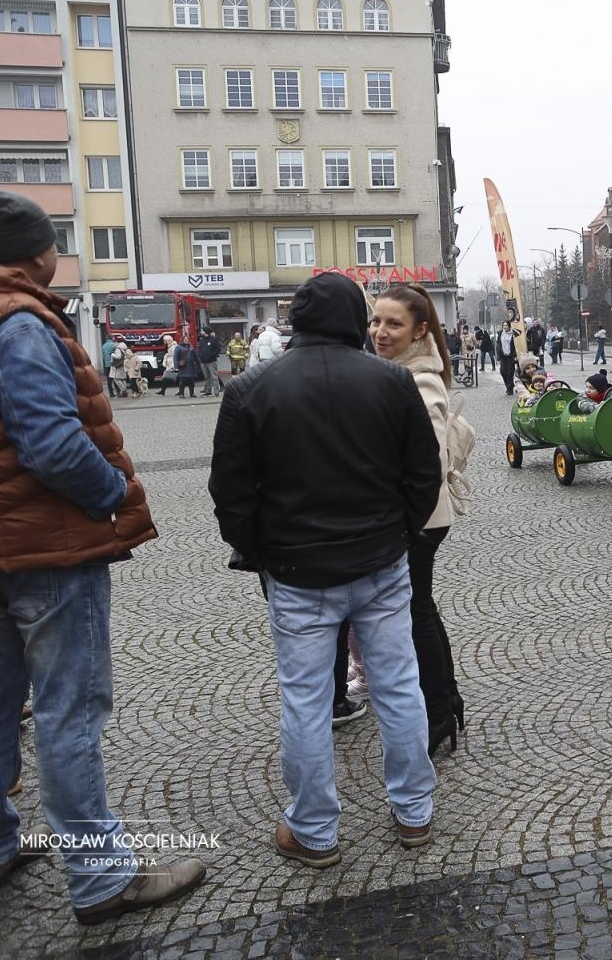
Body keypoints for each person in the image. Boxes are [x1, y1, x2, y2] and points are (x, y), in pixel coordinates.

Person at [0, 187, 204, 921]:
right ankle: (102, 879)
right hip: (43, 547)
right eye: (51, 243)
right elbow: (51, 442)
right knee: (70, 711)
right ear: (33, 251)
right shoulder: (15, 322)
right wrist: (108, 492)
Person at [210, 272, 443, 867]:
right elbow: (423, 477)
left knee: (307, 701)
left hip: (296, 570)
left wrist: (260, 551)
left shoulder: (250, 388)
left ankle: (314, 830)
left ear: (297, 320)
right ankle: (414, 812)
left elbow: (230, 495)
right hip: (380, 563)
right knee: (397, 686)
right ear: (353, 318)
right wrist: (398, 535)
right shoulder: (392, 382)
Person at [369, 285, 467, 756]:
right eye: (375, 322)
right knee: (421, 609)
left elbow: (425, 460)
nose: (380, 332)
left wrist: (404, 521)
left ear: (419, 330)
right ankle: (446, 702)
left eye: (393, 324)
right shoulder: (398, 369)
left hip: (420, 518)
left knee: (416, 613)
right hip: (417, 515)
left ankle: (438, 713)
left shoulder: (420, 379)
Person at [198, 329, 224, 396]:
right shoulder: (202, 341)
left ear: (206, 332)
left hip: (211, 361)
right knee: (207, 377)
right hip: (203, 362)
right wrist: (200, 356)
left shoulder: (213, 340)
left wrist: (212, 355)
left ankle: (216, 391)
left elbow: (218, 349)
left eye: (202, 331)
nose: (201, 332)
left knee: (214, 376)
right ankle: (208, 390)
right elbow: (200, 350)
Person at [498, 324, 520, 395]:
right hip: (503, 356)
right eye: (503, 325)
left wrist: (515, 354)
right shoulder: (500, 333)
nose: (504, 327)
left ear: (509, 326)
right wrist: (498, 353)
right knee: (502, 371)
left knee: (510, 372)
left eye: (506, 325)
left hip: (510, 356)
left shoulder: (513, 334)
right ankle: (508, 385)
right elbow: (498, 344)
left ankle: (509, 388)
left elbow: (516, 344)